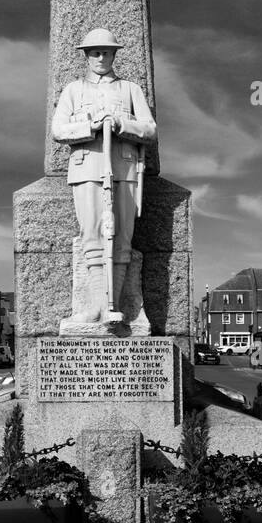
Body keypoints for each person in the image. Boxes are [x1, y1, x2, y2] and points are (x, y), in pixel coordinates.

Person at [52, 28, 156, 325]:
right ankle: (98, 306)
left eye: (106, 52)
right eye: (94, 52)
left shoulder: (130, 90)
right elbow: (58, 130)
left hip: (123, 169)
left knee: (122, 237)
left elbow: (149, 130)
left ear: (114, 55)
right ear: (86, 56)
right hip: (86, 169)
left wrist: (121, 123)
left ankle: (117, 303)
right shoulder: (73, 90)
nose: (100, 57)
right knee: (93, 236)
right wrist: (90, 125)